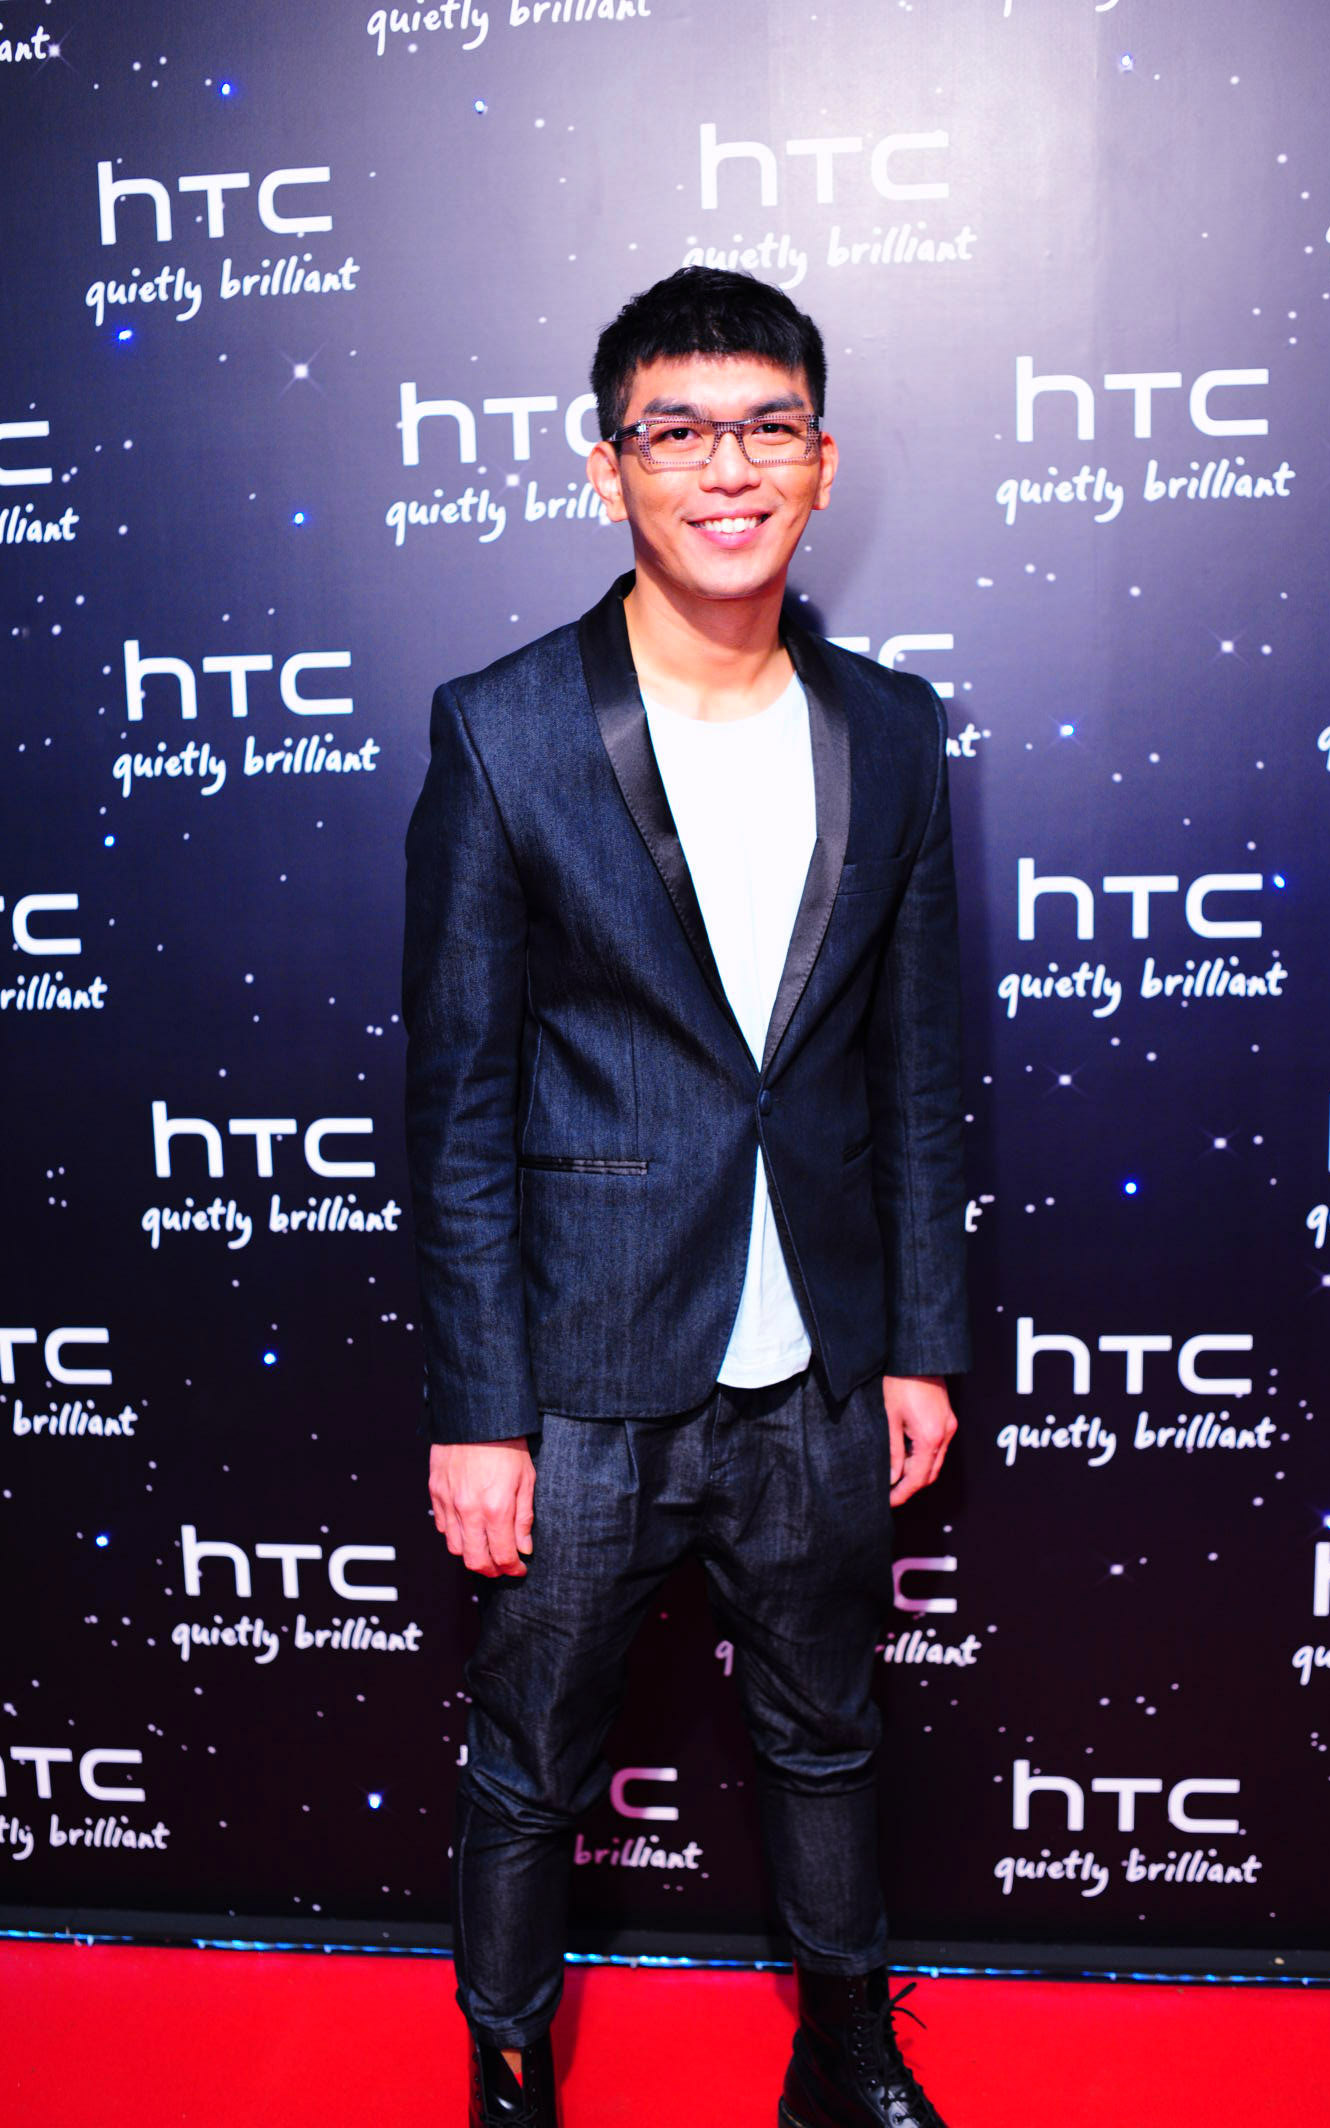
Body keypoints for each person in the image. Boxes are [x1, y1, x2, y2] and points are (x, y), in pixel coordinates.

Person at [402, 265, 970, 2128]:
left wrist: (920, 1345)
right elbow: (460, 1100)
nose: (728, 469)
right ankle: (508, 2075)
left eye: (767, 427)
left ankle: (843, 2049)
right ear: (609, 469)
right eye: (679, 432)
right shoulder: (502, 729)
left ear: (823, 460)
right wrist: (479, 1411)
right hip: (577, 1380)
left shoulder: (895, 732)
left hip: (817, 1368)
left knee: (829, 1736)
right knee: (529, 1764)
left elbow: (914, 1070)